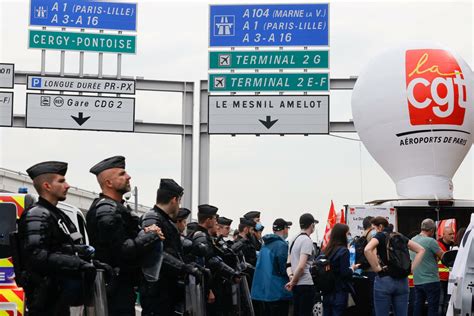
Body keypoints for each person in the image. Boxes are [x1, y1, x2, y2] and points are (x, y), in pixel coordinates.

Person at [16, 161, 96, 316]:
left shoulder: (55, 214)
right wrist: (77, 263)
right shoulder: (38, 214)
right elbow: (37, 255)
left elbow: (59, 247)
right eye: (61, 181)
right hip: (46, 301)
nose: (67, 185)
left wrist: (85, 255)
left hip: (59, 299)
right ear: (47, 186)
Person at [86, 156, 163, 315]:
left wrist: (145, 233)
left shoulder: (118, 208)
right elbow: (123, 250)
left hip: (122, 285)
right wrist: (151, 236)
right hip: (114, 288)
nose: (128, 177)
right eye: (122, 174)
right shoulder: (106, 210)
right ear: (109, 183)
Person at [140, 179, 201, 316]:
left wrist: (188, 265)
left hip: (167, 291)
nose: (179, 206)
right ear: (174, 199)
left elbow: (174, 251)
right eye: (179, 201)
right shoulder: (152, 218)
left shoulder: (165, 220)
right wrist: (183, 267)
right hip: (157, 292)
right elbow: (155, 253)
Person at [364, 216, 425, 316]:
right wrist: (411, 268)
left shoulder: (380, 236)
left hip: (384, 280)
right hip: (403, 281)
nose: (373, 231)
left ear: (380, 227)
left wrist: (376, 268)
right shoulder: (399, 236)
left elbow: (367, 249)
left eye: (374, 228)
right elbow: (421, 250)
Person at [189, 204, 240, 315]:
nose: (216, 222)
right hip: (203, 286)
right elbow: (209, 262)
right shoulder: (201, 236)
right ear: (208, 220)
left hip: (208, 284)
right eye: (214, 219)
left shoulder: (205, 235)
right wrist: (209, 290)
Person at [251, 218, 293, 316]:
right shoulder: (282, 245)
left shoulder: (265, 245)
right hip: (278, 292)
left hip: (265, 291)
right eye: (287, 228)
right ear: (284, 229)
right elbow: (284, 269)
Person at [285, 213, 319, 316]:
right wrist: (293, 282)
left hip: (296, 284)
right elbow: (301, 265)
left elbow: (288, 263)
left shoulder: (294, 239)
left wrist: (291, 277)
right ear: (312, 225)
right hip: (306, 283)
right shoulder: (306, 240)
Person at [322, 223, 359, 316]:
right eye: (348, 234)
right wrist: (352, 269)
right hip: (339, 292)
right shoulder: (343, 251)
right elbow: (344, 273)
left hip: (326, 291)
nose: (349, 236)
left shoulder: (326, 250)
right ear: (342, 235)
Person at [410, 219, 444, 316]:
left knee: (418, 306)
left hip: (417, 281)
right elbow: (443, 256)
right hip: (431, 280)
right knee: (433, 308)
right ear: (432, 230)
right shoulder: (430, 241)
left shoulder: (412, 240)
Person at [437, 225, 454, 315]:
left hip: (451, 280)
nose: (452, 235)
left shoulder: (454, 246)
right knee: (440, 302)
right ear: (444, 235)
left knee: (447, 303)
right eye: (450, 234)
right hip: (440, 279)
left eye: (453, 233)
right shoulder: (437, 245)